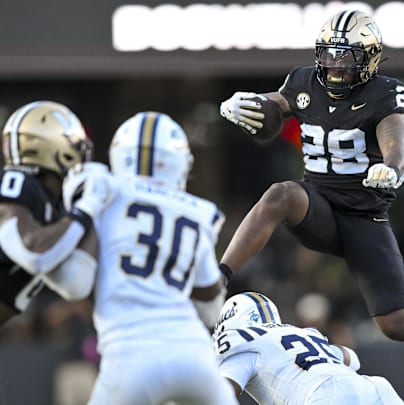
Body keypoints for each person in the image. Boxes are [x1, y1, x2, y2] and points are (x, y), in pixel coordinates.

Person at [218, 9, 404, 342]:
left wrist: (392, 167)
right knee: (280, 194)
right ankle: (220, 276)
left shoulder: (385, 93)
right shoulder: (304, 81)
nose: (334, 64)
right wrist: (250, 105)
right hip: (317, 208)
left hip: (363, 217)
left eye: (346, 57)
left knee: (398, 328)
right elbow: (274, 108)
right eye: (328, 53)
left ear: (370, 59)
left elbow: (396, 143)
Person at [85, 111, 237, 405]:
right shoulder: (196, 210)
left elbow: (76, 281)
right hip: (193, 354)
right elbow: (209, 304)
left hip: (129, 355)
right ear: (180, 163)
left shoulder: (105, 193)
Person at [0, 100, 114, 327]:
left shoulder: (53, 208)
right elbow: (33, 252)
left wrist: (88, 212)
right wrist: (85, 210)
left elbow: (75, 284)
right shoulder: (16, 183)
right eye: (76, 146)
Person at [212, 291, 404, 404]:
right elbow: (352, 358)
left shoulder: (243, 343)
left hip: (324, 395)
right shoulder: (303, 333)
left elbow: (218, 394)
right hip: (375, 387)